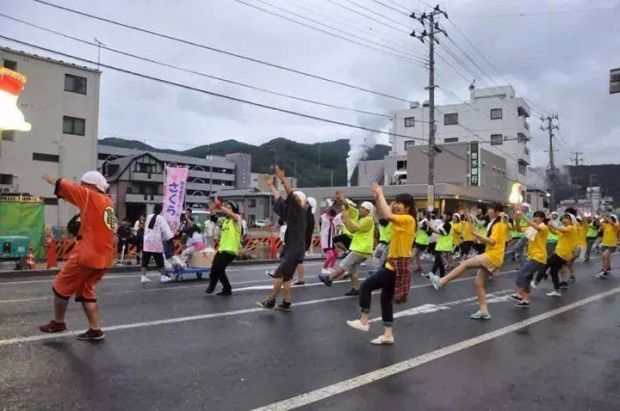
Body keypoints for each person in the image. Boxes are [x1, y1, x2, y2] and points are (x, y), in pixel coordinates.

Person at [38, 171, 116, 341]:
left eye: (83, 184)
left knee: (60, 285)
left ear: (90, 185)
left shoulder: (90, 195)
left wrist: (52, 179)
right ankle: (95, 329)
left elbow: (68, 187)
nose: (81, 187)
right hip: (105, 255)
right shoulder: (107, 202)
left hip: (87, 253)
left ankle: (58, 322)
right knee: (86, 289)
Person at [346, 184, 415, 345]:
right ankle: (388, 334)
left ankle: (364, 320)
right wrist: (378, 198)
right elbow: (384, 216)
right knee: (385, 299)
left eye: (399, 203)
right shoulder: (401, 221)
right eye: (395, 202)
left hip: (394, 267)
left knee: (366, 286)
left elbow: (388, 215)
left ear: (408, 207)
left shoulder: (408, 219)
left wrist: (382, 194)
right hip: (394, 265)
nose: (396, 205)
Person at [429, 202, 508, 320]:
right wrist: (474, 228)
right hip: (494, 257)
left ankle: (441, 281)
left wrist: (477, 235)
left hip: (492, 256)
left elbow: (492, 241)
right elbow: (481, 233)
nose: (489, 211)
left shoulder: (499, 224)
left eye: (491, 209)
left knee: (465, 264)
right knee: (478, 283)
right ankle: (484, 311)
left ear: (497, 211)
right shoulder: (495, 223)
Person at [257, 167, 307, 311]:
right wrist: (271, 185)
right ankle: (286, 301)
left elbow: (289, 195)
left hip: (294, 250)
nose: (294, 200)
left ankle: (271, 300)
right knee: (286, 277)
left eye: (297, 199)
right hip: (293, 249)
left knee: (279, 273)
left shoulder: (301, 211)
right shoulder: (290, 213)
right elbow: (279, 198)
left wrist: (283, 180)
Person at [318, 201, 375, 296]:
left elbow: (353, 229)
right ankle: (355, 288)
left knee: (344, 264)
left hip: (361, 248)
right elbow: (351, 229)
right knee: (353, 268)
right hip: (361, 248)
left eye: (362, 208)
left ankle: (329, 279)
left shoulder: (368, 220)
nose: (360, 209)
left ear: (368, 211)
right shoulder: (363, 219)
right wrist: (345, 220)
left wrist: (346, 217)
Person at [532, 213, 577, 297]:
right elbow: (555, 232)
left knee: (545, 264)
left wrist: (551, 221)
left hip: (562, 253)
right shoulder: (565, 228)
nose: (564, 220)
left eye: (567, 218)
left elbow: (558, 228)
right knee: (553, 271)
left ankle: (536, 282)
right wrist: (549, 226)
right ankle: (556, 290)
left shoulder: (572, 228)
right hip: (561, 253)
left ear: (572, 221)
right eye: (563, 218)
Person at [510, 211, 549, 308]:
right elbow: (518, 229)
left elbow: (538, 227)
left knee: (522, 273)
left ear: (542, 219)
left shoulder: (544, 227)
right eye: (534, 216)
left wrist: (524, 217)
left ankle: (520, 293)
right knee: (527, 277)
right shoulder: (531, 228)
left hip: (539, 257)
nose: (535, 218)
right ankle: (525, 300)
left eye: (537, 217)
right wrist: (517, 220)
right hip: (531, 256)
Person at [206, 201, 242, 296]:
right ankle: (227, 289)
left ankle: (212, 286)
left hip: (231, 250)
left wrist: (221, 206)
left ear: (234, 209)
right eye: (227, 207)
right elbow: (214, 219)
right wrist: (212, 209)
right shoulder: (225, 221)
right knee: (215, 269)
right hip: (222, 249)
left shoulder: (237, 219)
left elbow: (231, 214)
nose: (228, 209)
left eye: (230, 208)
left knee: (218, 267)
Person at [141, 204, 174, 284]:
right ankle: (163, 276)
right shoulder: (160, 218)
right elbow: (166, 230)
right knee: (159, 259)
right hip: (155, 241)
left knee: (145, 259)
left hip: (147, 241)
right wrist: (169, 237)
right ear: (161, 210)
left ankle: (143, 276)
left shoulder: (148, 217)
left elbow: (146, 227)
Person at [293, 197, 317, 285]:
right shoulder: (310, 215)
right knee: (297, 260)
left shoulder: (305, 215)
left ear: (308, 204)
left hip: (301, 240)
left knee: (296, 260)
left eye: (305, 202)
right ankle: (300, 278)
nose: (303, 203)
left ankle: (281, 274)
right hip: (305, 241)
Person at [424, 214, 452, 279]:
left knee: (438, 261)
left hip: (443, 246)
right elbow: (435, 230)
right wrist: (429, 227)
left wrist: (430, 225)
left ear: (448, 217)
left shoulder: (448, 225)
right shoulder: (442, 224)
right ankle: (442, 277)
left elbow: (439, 232)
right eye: (442, 216)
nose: (442, 217)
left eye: (444, 216)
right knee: (439, 262)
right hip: (439, 245)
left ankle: (432, 274)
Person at [319, 207, 338, 275]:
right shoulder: (325, 219)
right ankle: (324, 268)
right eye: (332, 216)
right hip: (326, 241)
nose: (333, 217)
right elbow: (322, 217)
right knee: (331, 255)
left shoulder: (331, 220)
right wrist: (327, 213)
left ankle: (330, 267)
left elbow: (334, 229)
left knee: (336, 254)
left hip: (331, 240)